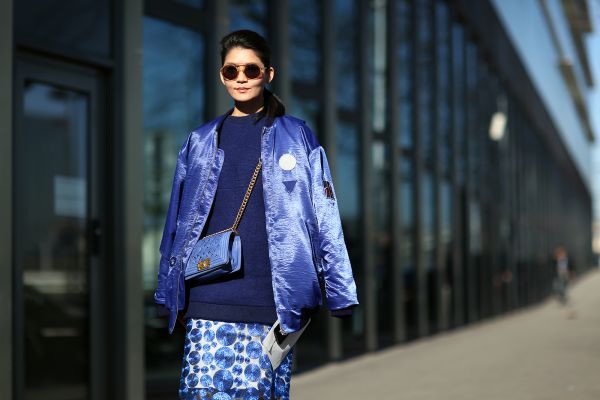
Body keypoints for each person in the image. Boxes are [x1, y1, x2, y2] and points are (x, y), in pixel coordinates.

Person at [154, 29, 359, 400]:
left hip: (273, 304)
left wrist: (339, 292)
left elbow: (325, 217)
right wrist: (167, 291)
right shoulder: (200, 140)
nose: (241, 78)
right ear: (222, 76)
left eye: (251, 69)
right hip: (207, 299)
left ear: (268, 74)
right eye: (231, 70)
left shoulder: (296, 136)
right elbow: (176, 223)